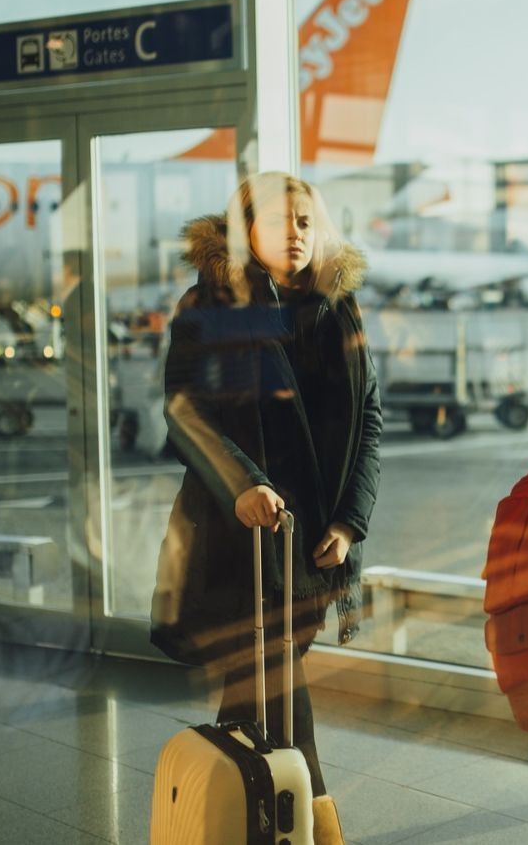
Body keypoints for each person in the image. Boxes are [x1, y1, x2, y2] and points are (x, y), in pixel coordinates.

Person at [152, 171, 381, 844]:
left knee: (262, 692)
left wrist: (349, 521)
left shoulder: (337, 306)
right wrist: (243, 480)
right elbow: (185, 409)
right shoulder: (210, 305)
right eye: (282, 222)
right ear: (246, 232)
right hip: (241, 534)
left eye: (307, 220)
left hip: (315, 539)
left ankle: (225, 817)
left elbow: (369, 415)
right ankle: (313, 824)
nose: (299, 232)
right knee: (273, 682)